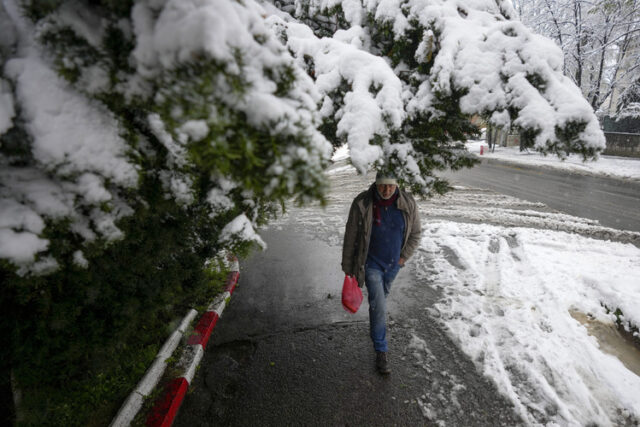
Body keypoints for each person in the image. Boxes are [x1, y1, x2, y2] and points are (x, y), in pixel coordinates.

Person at [342, 171, 422, 374]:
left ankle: (376, 329)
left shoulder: (408, 203)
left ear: (397, 185)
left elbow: (415, 234)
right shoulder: (363, 203)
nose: (386, 190)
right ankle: (381, 349)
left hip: (394, 265)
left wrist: (402, 259)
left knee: (379, 302)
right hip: (371, 264)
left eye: (391, 186)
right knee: (378, 304)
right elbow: (351, 234)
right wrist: (348, 265)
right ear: (376, 184)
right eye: (382, 185)